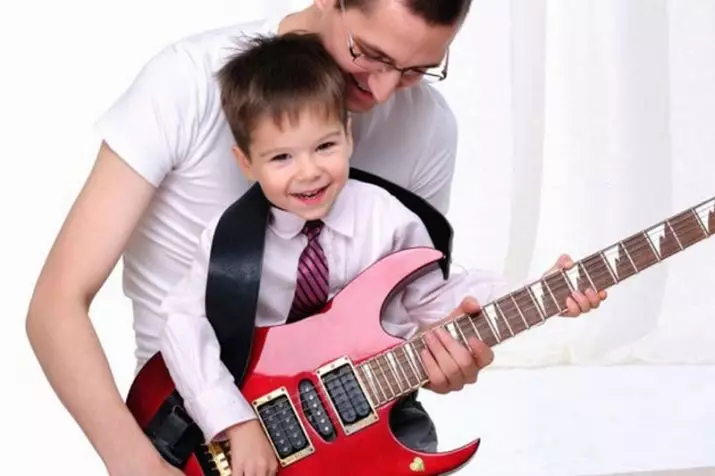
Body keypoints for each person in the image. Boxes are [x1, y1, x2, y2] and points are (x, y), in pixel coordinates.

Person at [25, 1, 606, 475]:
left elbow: (410, 301)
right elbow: (55, 306)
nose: (381, 92)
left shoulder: (428, 128)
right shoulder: (186, 83)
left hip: (360, 421)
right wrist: (136, 467)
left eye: (415, 69)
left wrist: (458, 345)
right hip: (196, 435)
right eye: (369, 53)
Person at [160, 31, 505, 475]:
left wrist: (529, 293)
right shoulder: (230, 241)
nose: (309, 172)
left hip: (380, 403)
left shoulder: (389, 219)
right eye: (281, 157)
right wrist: (234, 422)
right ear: (246, 163)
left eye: (324, 146)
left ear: (347, 136)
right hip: (262, 420)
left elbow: (428, 301)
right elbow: (182, 325)